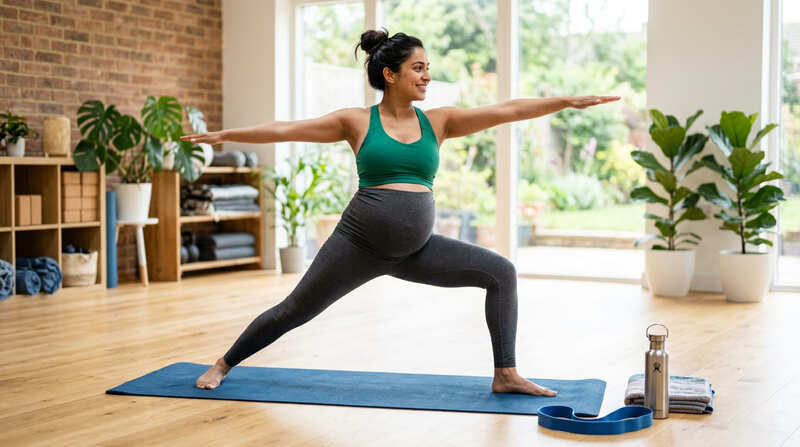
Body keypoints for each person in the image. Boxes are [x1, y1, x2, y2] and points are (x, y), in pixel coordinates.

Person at [181, 28, 620, 396]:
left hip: (416, 249)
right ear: (390, 74)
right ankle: (224, 363)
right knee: (294, 309)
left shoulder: (440, 121)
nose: (427, 76)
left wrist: (563, 101)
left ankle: (505, 373)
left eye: (427, 67)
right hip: (358, 245)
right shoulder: (356, 121)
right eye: (418, 68)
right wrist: (224, 135)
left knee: (500, 272)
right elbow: (285, 129)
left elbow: (505, 111)